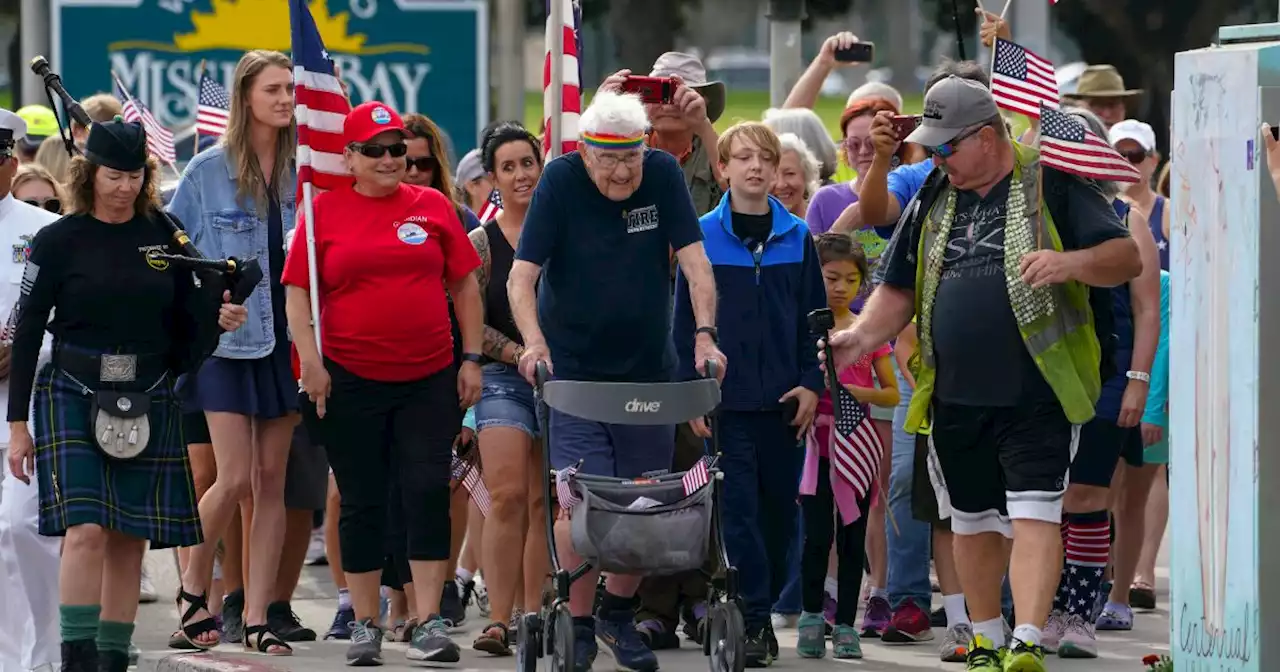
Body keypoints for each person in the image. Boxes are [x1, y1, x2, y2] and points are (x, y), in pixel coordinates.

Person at [825, 76, 1141, 671]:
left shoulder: (1050, 178)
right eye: (935, 148)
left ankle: (1025, 638)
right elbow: (897, 289)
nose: (938, 158)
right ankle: (987, 639)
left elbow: (1125, 256)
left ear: (988, 137)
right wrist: (859, 338)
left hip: (1038, 389)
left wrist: (1068, 261)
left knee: (1035, 511)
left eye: (948, 147)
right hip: (954, 392)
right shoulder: (937, 192)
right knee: (969, 520)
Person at [5, 117, 248, 672]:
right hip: (72, 388)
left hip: (148, 389)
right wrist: (19, 425)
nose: (126, 187)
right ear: (90, 174)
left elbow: (187, 340)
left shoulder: (164, 236)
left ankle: (112, 657)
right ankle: (77, 657)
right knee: (86, 527)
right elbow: (27, 335)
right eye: (115, 175)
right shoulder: (58, 239)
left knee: (127, 534)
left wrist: (219, 319)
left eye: (136, 176)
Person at [507, 90, 725, 672]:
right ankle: (577, 621)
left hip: (647, 370)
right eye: (609, 158)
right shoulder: (558, 181)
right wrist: (533, 343)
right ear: (584, 152)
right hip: (574, 372)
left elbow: (698, 264)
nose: (623, 170)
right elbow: (521, 278)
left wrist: (705, 335)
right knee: (579, 501)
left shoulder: (660, 175)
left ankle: (617, 615)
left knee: (644, 499)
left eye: (632, 155)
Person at [283, 100, 484, 666]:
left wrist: (470, 358)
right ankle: (366, 622)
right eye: (374, 150)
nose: (390, 158)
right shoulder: (320, 213)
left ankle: (426, 619)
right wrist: (311, 362)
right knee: (362, 499)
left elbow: (465, 286)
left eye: (397, 148)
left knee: (426, 493)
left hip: (428, 377)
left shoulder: (433, 206)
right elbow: (297, 293)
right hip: (350, 378)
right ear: (349, 158)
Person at [672, 121, 825, 667]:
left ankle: (753, 606)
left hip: (785, 404)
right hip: (727, 404)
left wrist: (812, 382)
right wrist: (692, 393)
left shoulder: (797, 236)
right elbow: (683, 323)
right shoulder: (701, 237)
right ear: (724, 169)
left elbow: (815, 321)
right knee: (738, 512)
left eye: (766, 158)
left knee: (781, 515)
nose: (756, 168)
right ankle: (755, 620)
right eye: (744, 158)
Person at [166, 49, 303, 655]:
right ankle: (195, 589)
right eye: (273, 89)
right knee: (236, 475)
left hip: (290, 339)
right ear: (246, 96)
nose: (285, 100)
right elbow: (174, 260)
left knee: (271, 481)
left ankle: (257, 615)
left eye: (291, 90)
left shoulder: (309, 171)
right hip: (226, 342)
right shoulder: (204, 172)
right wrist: (207, 306)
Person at [465, 120, 547, 657]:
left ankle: (535, 614)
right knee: (508, 494)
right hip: (501, 378)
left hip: (562, 380)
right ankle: (498, 618)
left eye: (528, 163)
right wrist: (518, 354)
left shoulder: (565, 236)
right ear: (492, 178)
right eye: (508, 167)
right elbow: (470, 324)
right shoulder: (481, 243)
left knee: (545, 502)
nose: (520, 175)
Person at [795, 233, 897, 660]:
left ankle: (847, 627)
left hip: (857, 443)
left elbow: (891, 393)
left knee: (853, 537)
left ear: (862, 285)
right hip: (815, 448)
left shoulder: (866, 332)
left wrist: (862, 396)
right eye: (831, 277)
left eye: (851, 280)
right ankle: (811, 616)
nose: (840, 287)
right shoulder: (803, 327)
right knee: (817, 536)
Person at [0, 109, 63, 672]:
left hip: (29, 407)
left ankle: (43, 659)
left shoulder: (39, 229)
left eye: (2, 155)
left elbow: (63, 315)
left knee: (26, 530)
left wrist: (23, 351)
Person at [1064, 65, 1141, 130]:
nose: (1106, 114)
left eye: (1112, 105)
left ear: (1124, 108)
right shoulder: (1065, 142)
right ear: (1079, 108)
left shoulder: (1139, 144)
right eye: (1097, 105)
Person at [770, 132, 821, 219]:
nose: (781, 184)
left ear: (806, 175)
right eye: (772, 175)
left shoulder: (824, 219)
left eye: (789, 174)